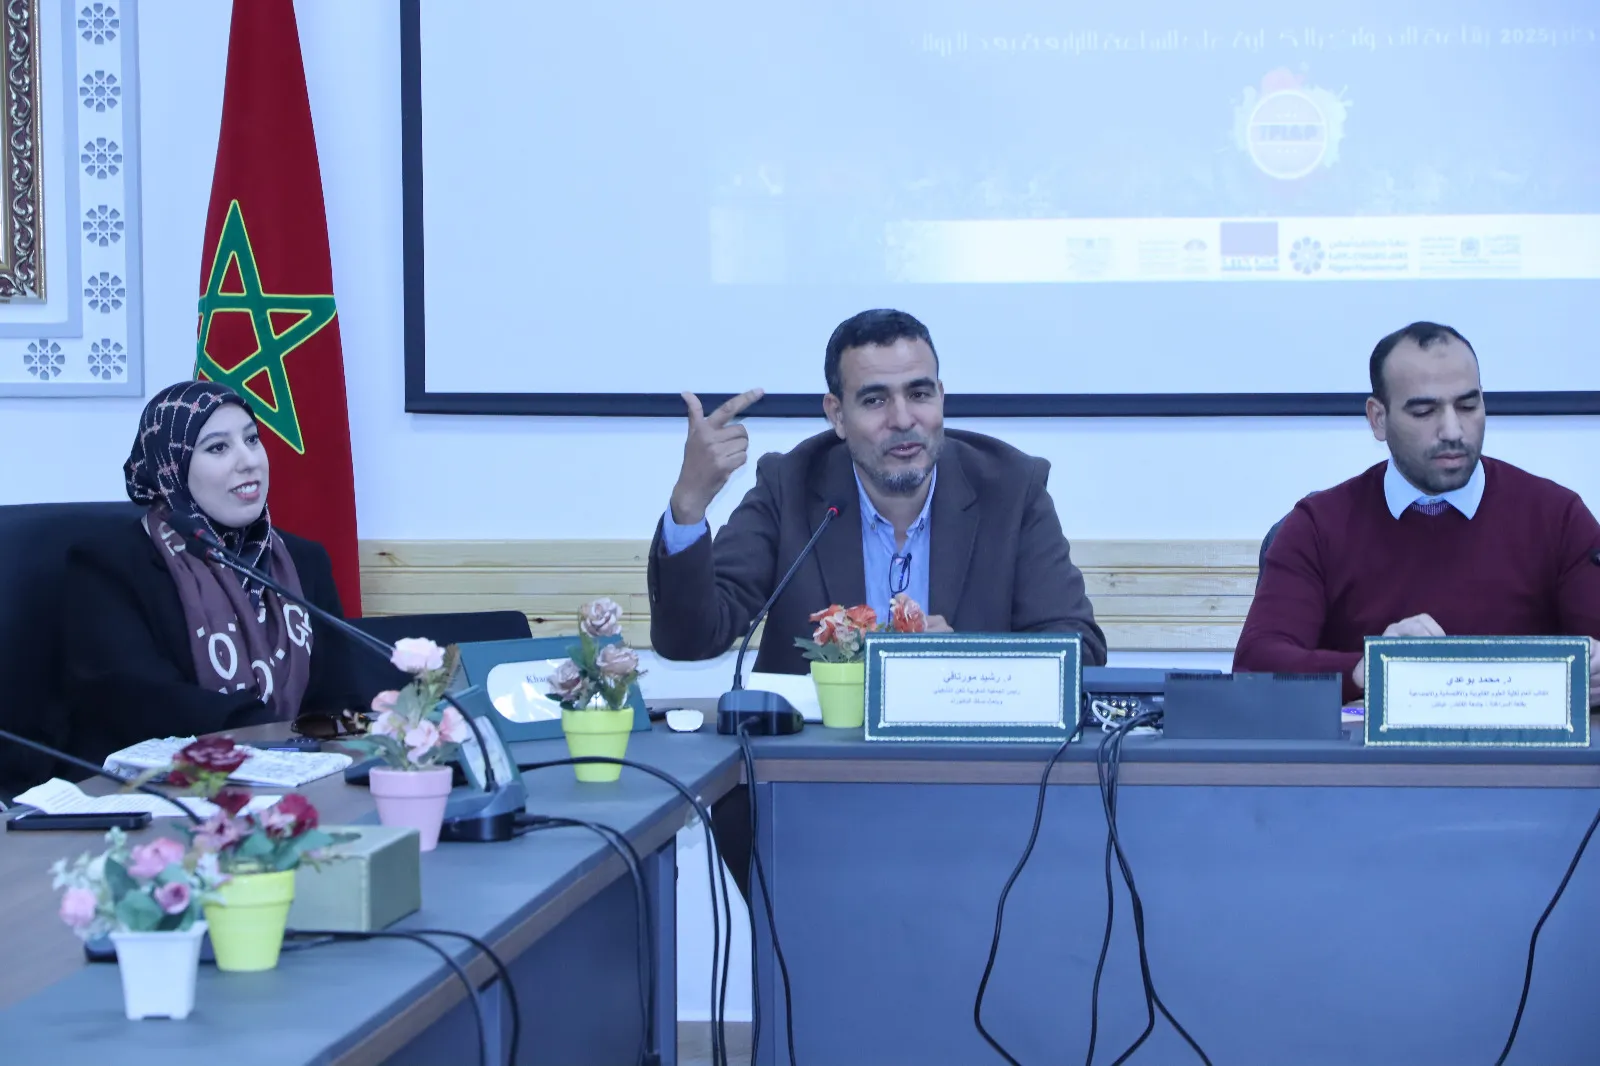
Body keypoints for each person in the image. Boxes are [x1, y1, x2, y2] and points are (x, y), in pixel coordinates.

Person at [648, 308, 1105, 895]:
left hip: (978, 803)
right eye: (874, 400)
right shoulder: (790, 486)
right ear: (836, 415)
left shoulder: (1011, 487)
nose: (904, 419)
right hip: (812, 809)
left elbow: (1077, 648)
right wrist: (689, 505)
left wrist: (970, 660)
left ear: (942, 397)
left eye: (920, 393)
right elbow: (692, 638)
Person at [1233, 321, 1600, 704]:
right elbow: (1255, 666)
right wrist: (1367, 668)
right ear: (1378, 418)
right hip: (1370, 745)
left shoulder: (1557, 516)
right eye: (1425, 411)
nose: (1453, 431)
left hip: (1522, 744)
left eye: (1468, 406)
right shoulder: (1318, 526)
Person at [61, 380, 361, 767]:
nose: (248, 461)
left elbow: (341, 695)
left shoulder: (305, 561)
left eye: (252, 440)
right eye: (218, 447)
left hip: (304, 774)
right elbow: (141, 701)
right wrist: (272, 736)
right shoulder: (108, 565)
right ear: (171, 466)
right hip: (164, 783)